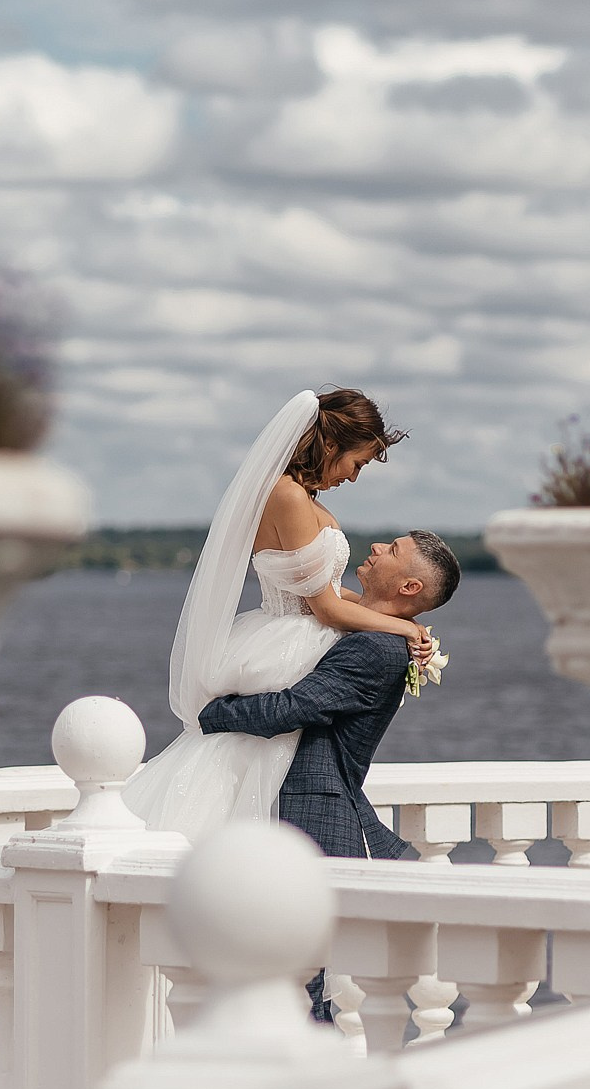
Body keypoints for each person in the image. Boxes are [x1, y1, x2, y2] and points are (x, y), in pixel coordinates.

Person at [122, 388, 433, 839]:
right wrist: (403, 625)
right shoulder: (286, 496)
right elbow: (324, 608)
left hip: (299, 630)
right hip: (290, 641)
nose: (353, 476)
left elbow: (324, 592)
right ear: (331, 446)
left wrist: (394, 624)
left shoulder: (305, 500)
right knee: (261, 755)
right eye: (357, 463)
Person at [197, 530, 461, 1022]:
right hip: (294, 812)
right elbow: (325, 600)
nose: (379, 547)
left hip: (314, 816)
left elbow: (291, 709)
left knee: (300, 989)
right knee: (282, 982)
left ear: (408, 587)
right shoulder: (372, 631)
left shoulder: (376, 652)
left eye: (394, 550)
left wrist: (209, 714)